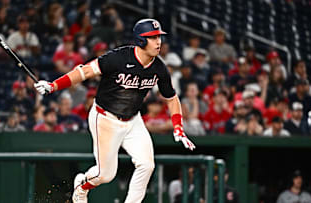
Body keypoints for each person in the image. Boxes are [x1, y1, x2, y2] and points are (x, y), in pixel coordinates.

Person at [34, 18, 196, 203]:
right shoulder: (118, 58)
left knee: (147, 165)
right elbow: (85, 71)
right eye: (152, 37)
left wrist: (178, 126)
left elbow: (171, 98)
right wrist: (54, 85)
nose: (158, 41)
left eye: (159, 36)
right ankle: (82, 185)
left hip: (133, 120)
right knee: (105, 175)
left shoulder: (159, 68)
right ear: (141, 40)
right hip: (105, 119)